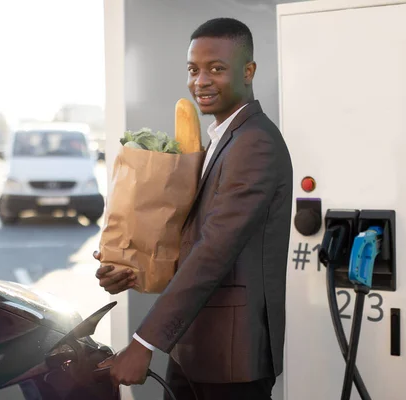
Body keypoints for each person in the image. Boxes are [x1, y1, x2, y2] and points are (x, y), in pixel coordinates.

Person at [94, 17, 293, 400]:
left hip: (230, 359)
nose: (200, 81)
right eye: (193, 69)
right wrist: (130, 267)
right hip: (195, 347)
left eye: (216, 69)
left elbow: (213, 252)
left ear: (248, 71)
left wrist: (143, 342)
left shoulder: (255, 143)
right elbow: (190, 238)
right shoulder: (221, 140)